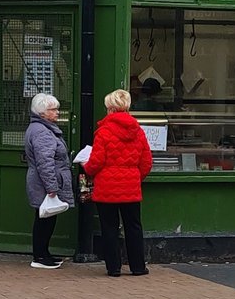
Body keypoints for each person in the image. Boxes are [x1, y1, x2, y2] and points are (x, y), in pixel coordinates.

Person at [84, 89, 153, 277]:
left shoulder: (104, 132)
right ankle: (138, 267)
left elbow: (96, 161)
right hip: (130, 186)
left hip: (107, 187)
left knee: (109, 227)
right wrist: (135, 178)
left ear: (111, 109)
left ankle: (113, 268)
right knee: (134, 227)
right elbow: (146, 161)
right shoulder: (137, 130)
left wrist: (87, 168)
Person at [24, 92, 74, 269]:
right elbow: (45, 162)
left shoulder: (41, 129)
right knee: (44, 219)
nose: (57, 112)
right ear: (42, 113)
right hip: (44, 182)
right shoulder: (42, 133)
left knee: (46, 218)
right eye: (53, 110)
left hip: (42, 180)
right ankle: (39, 256)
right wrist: (51, 187)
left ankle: (43, 254)